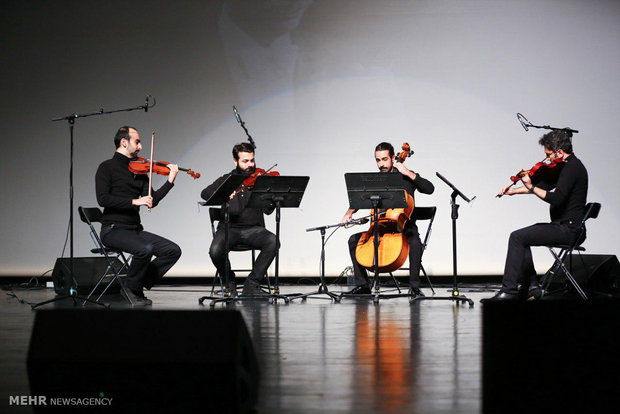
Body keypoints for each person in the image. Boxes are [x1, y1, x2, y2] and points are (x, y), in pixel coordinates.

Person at [485, 130, 588, 301]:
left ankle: (509, 291)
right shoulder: (566, 166)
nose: (547, 159)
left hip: (569, 230)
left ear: (560, 152)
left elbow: (556, 198)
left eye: (549, 155)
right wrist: (514, 191)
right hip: (562, 226)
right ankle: (532, 286)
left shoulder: (572, 168)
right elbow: (544, 187)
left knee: (517, 237)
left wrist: (531, 187)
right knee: (521, 237)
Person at [95, 126, 182, 306]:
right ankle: (130, 288)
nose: (141, 147)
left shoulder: (140, 171)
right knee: (145, 249)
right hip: (112, 230)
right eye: (137, 142)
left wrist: (170, 181)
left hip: (134, 230)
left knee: (172, 250)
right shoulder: (106, 167)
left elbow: (152, 200)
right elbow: (103, 199)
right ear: (124, 142)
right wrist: (134, 201)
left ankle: (135, 284)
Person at [342, 142, 435, 298]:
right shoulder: (377, 180)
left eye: (384, 159)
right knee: (354, 240)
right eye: (378, 160)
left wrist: (408, 172)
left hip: (405, 227)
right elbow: (361, 198)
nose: (381, 164)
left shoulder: (406, 176)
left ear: (393, 158)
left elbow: (429, 189)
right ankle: (363, 285)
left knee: (415, 242)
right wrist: (349, 212)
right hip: (380, 228)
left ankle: (414, 287)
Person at [201, 142, 277, 297]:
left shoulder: (260, 179)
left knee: (273, 241)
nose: (250, 165)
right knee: (215, 251)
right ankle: (229, 280)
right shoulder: (228, 179)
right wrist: (223, 195)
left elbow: (268, 211)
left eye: (252, 160)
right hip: (229, 228)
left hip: (254, 229)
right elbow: (205, 192)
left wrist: (272, 198)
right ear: (235, 161)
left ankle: (251, 284)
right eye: (245, 161)